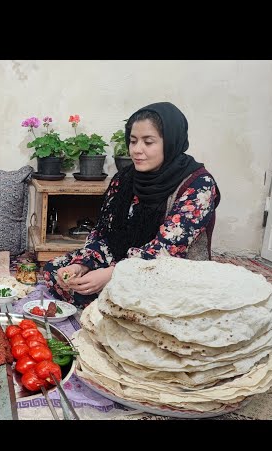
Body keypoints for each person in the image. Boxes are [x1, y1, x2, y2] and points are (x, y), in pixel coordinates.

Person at [44, 102, 221, 307]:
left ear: (171, 142)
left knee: (143, 301)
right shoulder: (125, 178)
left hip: (168, 272)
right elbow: (103, 232)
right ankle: (107, 302)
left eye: (148, 142)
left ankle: (113, 304)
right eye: (133, 141)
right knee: (55, 272)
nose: (137, 150)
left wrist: (113, 274)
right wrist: (83, 264)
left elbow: (166, 251)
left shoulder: (198, 185)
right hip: (122, 259)